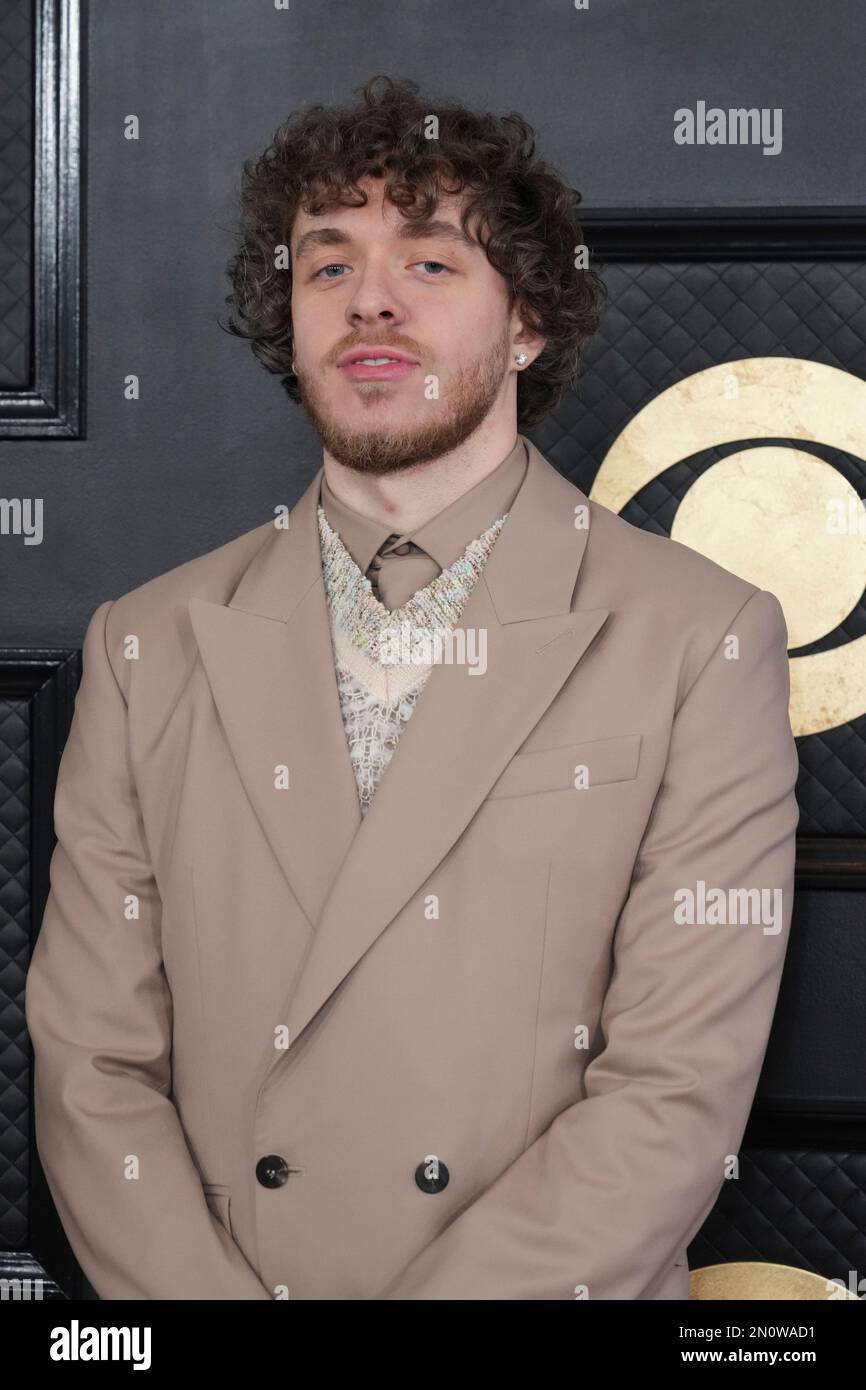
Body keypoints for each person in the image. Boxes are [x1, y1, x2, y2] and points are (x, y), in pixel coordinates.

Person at [25, 74, 800, 1300]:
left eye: (430, 262)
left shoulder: (697, 639)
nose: (369, 298)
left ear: (527, 320)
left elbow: (674, 1092)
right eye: (326, 265)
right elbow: (90, 1065)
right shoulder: (148, 643)